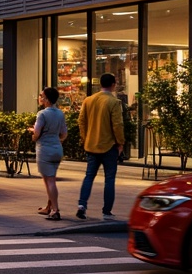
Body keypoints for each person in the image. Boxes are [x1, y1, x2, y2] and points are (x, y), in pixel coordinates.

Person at [76, 73, 125, 220]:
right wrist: (120, 142)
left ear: (100, 84)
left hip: (91, 145)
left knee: (89, 176)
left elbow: (81, 121)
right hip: (109, 145)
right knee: (109, 179)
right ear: (113, 84)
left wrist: (85, 139)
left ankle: (82, 205)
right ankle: (106, 211)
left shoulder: (88, 100)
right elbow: (117, 125)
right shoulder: (113, 102)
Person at [31, 86, 69, 220]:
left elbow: (36, 133)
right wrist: (56, 140)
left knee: (50, 181)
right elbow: (64, 133)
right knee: (50, 178)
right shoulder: (60, 113)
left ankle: (55, 209)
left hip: (44, 149)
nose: (40, 98)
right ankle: (49, 207)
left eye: (41, 96)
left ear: (46, 99)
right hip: (57, 149)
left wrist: (34, 136)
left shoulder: (42, 114)